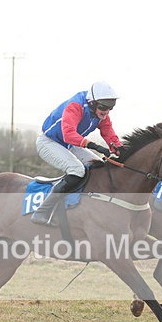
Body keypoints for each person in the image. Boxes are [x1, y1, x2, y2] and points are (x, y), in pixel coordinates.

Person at [31, 81, 123, 226]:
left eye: (110, 107)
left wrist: (118, 147)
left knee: (98, 166)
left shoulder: (100, 113)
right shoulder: (75, 106)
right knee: (77, 170)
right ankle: (42, 212)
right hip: (49, 142)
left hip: (69, 144)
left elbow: (108, 131)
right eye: (103, 107)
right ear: (92, 103)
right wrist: (95, 146)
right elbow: (68, 134)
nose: (106, 112)